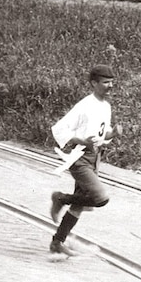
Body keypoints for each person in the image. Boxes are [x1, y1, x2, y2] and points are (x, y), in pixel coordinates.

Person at [49, 64, 123, 256]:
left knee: (79, 205)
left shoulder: (105, 106)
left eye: (111, 82)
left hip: (95, 157)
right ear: (93, 83)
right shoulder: (84, 106)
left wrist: (112, 133)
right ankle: (60, 198)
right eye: (105, 83)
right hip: (80, 157)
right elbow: (59, 129)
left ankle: (57, 242)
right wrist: (81, 140)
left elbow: (101, 132)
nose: (110, 86)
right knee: (100, 198)